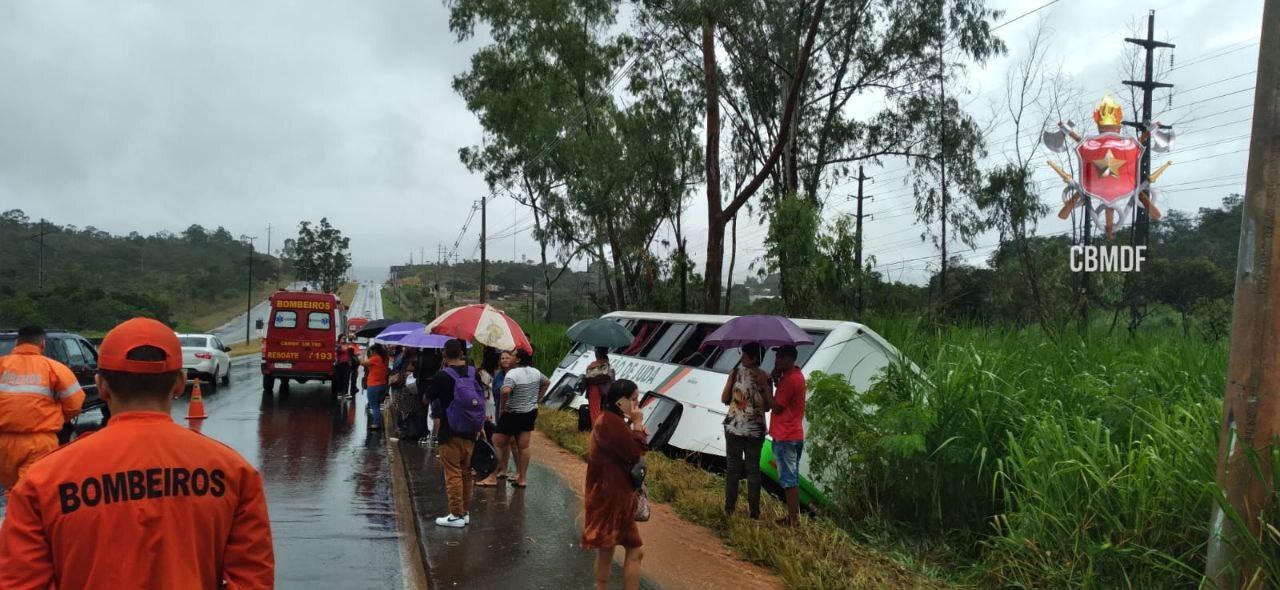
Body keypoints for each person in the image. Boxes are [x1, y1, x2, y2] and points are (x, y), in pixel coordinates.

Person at [0, 318, 274, 588]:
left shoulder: (43, 481)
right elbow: (253, 579)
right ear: (179, 383)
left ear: (102, 386)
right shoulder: (234, 473)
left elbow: (20, 581)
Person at [0, 326, 84, 496]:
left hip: (3, 441)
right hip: (40, 441)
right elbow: (75, 404)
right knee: (33, 493)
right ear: (42, 344)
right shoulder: (55, 368)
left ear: (17, 342)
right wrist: (58, 418)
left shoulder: (2, 365)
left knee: (14, 491)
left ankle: (14, 518)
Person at [582, 379, 647, 590]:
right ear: (620, 402)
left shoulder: (608, 420)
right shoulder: (611, 423)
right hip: (612, 499)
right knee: (634, 550)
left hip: (607, 496)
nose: (637, 405)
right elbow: (635, 453)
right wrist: (637, 425)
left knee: (607, 547)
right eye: (634, 399)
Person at [427, 339, 486, 527]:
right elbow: (480, 399)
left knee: (452, 474)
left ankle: (456, 515)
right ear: (462, 353)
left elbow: (426, 397)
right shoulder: (473, 373)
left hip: (449, 431)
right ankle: (465, 512)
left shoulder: (443, 376)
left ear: (444, 354)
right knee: (466, 473)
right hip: (471, 431)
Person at [721, 342, 773, 519]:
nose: (741, 357)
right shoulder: (767, 377)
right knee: (753, 470)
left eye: (744, 354)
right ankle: (754, 513)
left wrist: (731, 381)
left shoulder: (736, 374)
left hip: (734, 427)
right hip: (755, 431)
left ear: (753, 357)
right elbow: (767, 407)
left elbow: (724, 398)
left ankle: (729, 509)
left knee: (733, 468)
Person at [497, 348, 548, 488]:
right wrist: (537, 398)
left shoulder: (513, 373)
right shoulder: (535, 371)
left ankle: (494, 473)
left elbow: (506, 390)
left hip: (513, 412)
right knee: (523, 445)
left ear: (518, 359)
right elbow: (547, 382)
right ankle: (522, 478)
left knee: (498, 442)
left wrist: (503, 407)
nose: (510, 358)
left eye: (512, 356)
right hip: (530, 412)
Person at [769, 344, 807, 527]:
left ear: (791, 359)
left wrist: (766, 388)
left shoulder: (790, 380)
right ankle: (792, 518)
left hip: (786, 436)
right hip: (793, 434)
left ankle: (793, 520)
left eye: (781, 357)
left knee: (789, 480)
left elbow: (776, 407)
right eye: (777, 356)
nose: (777, 360)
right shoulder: (794, 376)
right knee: (791, 477)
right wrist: (777, 380)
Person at [476, 349, 514, 487]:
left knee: (499, 440)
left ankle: (497, 469)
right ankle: (499, 467)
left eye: (507, 358)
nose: (504, 360)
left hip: (501, 409)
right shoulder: (497, 375)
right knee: (501, 439)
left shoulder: (510, 374)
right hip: (495, 407)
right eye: (502, 358)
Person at [361, 343, 390, 431]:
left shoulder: (375, 358)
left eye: (371, 351)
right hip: (383, 384)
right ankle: (380, 422)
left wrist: (363, 354)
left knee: (374, 406)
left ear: (375, 351)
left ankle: (377, 424)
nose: (371, 353)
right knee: (377, 405)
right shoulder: (385, 358)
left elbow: (362, 363)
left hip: (373, 385)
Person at [584, 347, 615, 426]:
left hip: (594, 389)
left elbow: (588, 377)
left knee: (595, 411)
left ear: (597, 353)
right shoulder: (607, 364)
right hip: (606, 391)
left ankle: (596, 431)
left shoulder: (592, 365)